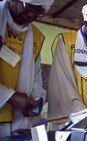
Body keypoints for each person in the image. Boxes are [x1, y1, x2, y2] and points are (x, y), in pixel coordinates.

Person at [0, 0, 54, 136]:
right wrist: (9, 97)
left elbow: (35, 75)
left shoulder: (36, 36)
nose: (31, 14)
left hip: (18, 121)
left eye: (38, 12)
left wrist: (36, 100)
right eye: (28, 7)